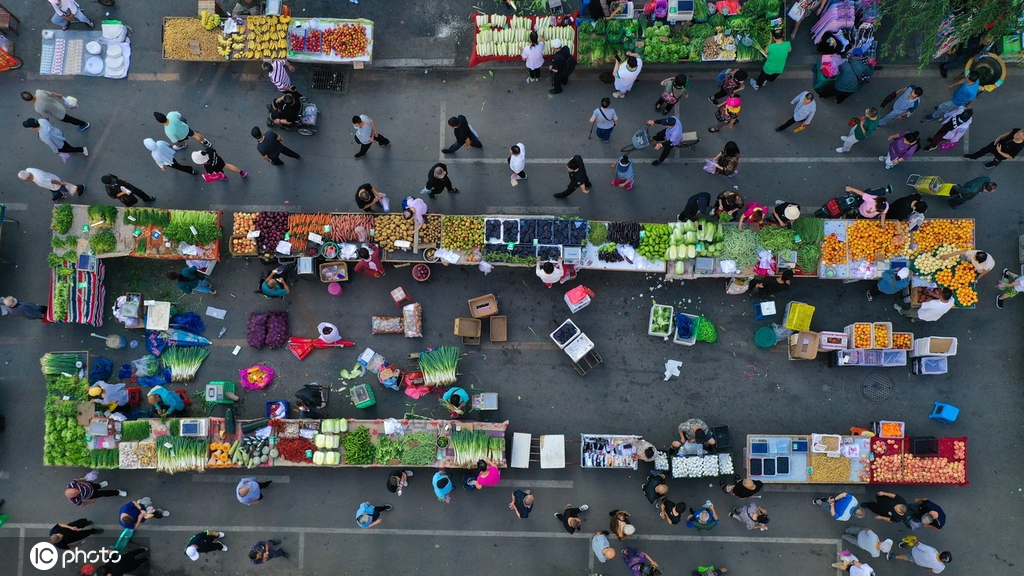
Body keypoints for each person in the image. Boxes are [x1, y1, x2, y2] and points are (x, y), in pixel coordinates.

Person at [21, 90, 89, 130]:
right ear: (31, 93)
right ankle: (83, 124)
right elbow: (51, 93)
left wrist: (47, 123)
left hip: (59, 114)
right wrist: (59, 95)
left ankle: (84, 124)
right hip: (59, 106)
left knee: (71, 120)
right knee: (69, 118)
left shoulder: (37, 108)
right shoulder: (39, 92)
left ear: (27, 101)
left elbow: (46, 117)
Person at [18, 168, 83, 201]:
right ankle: (58, 195)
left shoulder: (40, 180)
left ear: (28, 178)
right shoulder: (28, 169)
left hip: (55, 185)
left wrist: (60, 183)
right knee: (53, 190)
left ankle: (80, 187)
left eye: (24, 180)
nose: (24, 181)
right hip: (50, 180)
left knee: (67, 188)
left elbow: (52, 181)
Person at [887, 541, 952, 573]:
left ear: (942, 552)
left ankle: (903, 544)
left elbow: (919, 545)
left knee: (911, 543)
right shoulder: (941, 567)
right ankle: (892, 556)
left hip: (915, 551)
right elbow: (931, 570)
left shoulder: (931, 550)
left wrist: (916, 542)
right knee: (905, 557)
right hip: (917, 560)